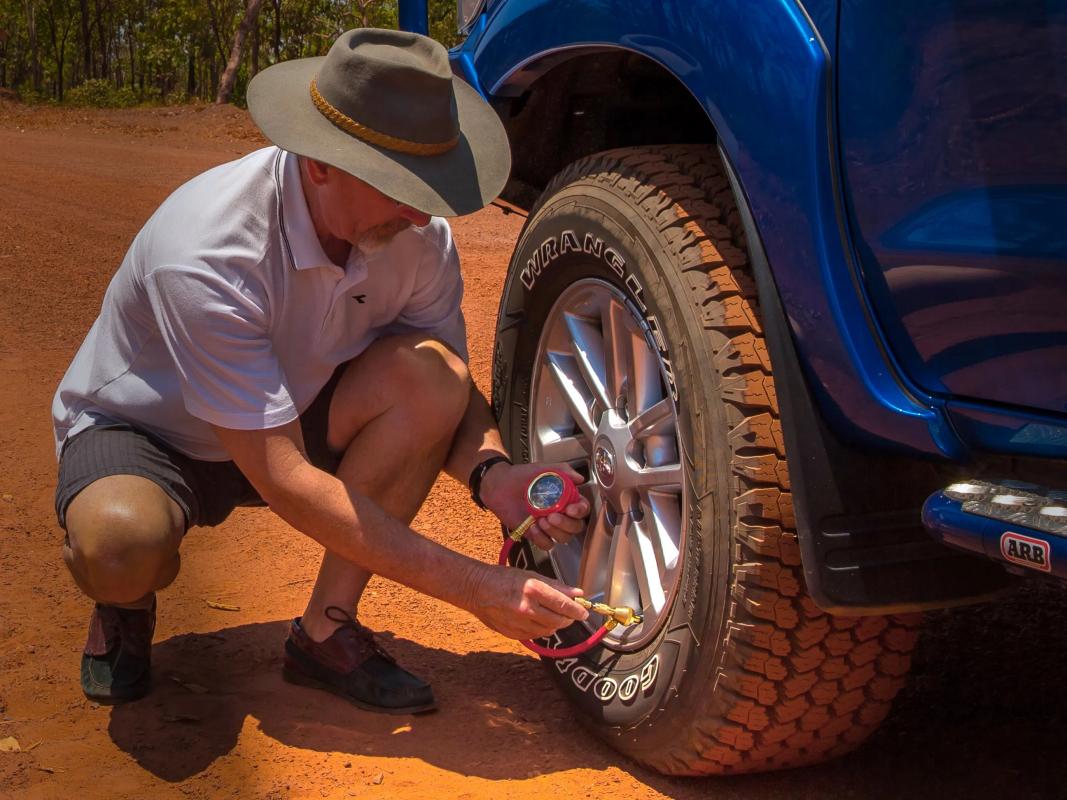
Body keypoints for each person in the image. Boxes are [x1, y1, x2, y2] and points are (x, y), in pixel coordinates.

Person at [51, 28, 590, 713]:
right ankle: (122, 604)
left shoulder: (414, 236)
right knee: (119, 542)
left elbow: (446, 387)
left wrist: (495, 474)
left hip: (294, 406)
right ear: (319, 165)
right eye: (400, 185)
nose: (422, 209)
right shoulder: (206, 251)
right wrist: (478, 589)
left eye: (431, 182)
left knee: (431, 375)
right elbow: (285, 480)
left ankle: (324, 631)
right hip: (151, 432)